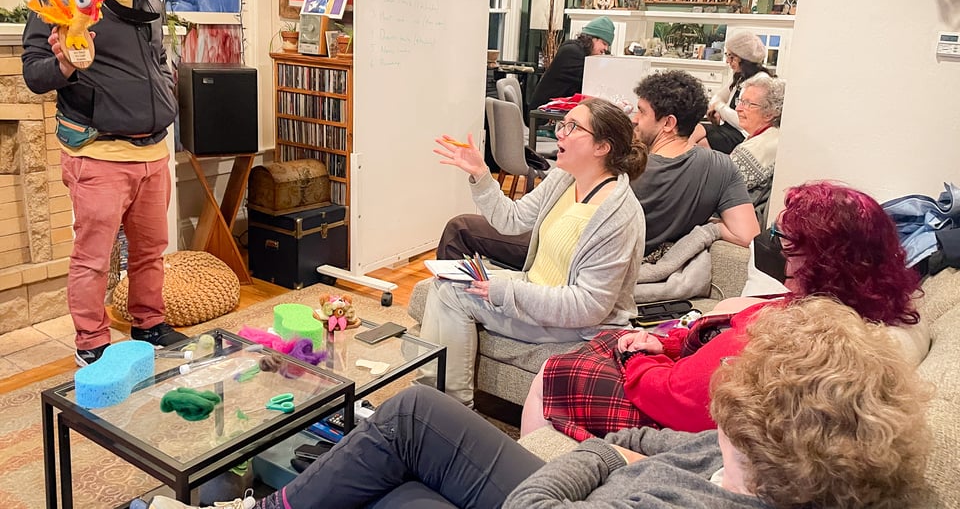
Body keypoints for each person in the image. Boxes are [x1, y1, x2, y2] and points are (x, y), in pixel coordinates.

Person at [150, 297, 933, 509]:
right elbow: (672, 447)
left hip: (559, 491)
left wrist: (599, 453)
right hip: (590, 479)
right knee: (416, 416)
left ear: (764, 434)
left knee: (402, 486)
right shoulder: (767, 466)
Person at [521, 181, 926, 440]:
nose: (779, 249)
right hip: (684, 376)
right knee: (609, 339)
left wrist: (643, 357)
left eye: (787, 241)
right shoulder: (845, 305)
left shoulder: (796, 333)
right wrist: (664, 346)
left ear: (820, 257)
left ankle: (533, 466)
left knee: (556, 369)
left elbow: (679, 398)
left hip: (677, 414)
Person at [21, 0, 187, 366]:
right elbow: (35, 75)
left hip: (153, 154)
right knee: (94, 259)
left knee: (151, 251)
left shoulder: (150, 3)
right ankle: (92, 344)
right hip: (98, 154)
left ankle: (149, 324)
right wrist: (64, 63)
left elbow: (154, 62)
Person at [422, 97, 647, 406]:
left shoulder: (618, 214)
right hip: (535, 289)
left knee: (452, 294)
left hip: (576, 326)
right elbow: (511, 219)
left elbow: (589, 306)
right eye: (562, 124)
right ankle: (429, 390)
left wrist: (505, 291)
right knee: (446, 281)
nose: (559, 133)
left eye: (572, 127)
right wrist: (481, 174)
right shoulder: (564, 178)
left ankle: (453, 408)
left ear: (601, 147)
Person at [437, 70, 759, 270]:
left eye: (642, 113)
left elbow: (520, 220)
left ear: (668, 123)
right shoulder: (719, 167)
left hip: (572, 251)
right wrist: (707, 229)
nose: (634, 119)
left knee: (460, 228)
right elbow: (748, 235)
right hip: (628, 262)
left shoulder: (621, 166)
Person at [691, 31, 774, 153]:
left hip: (743, 134)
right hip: (728, 127)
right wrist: (718, 108)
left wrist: (719, 108)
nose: (727, 61)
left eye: (731, 57)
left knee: (702, 144)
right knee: (693, 131)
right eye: (727, 55)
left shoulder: (760, 81)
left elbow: (743, 120)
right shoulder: (740, 76)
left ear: (744, 59)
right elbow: (717, 97)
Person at [729, 77, 785, 224]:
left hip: (741, 221)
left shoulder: (761, 146)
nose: (738, 108)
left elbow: (719, 186)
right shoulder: (773, 135)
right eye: (740, 101)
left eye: (748, 104)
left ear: (770, 113)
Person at [528, 16, 614, 109]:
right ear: (593, 38)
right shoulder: (572, 52)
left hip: (558, 109)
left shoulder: (581, 52)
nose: (605, 49)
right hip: (544, 112)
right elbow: (590, 82)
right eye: (604, 43)